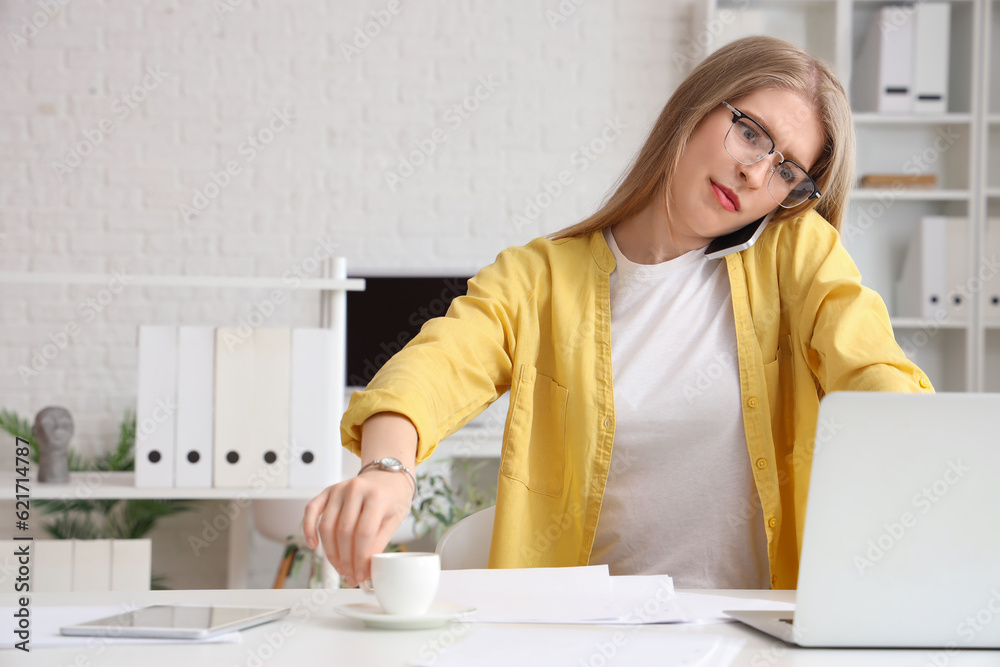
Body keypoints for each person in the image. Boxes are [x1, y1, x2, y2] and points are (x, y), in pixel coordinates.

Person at [303, 35, 934, 590]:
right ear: (696, 106)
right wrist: (387, 468)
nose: (752, 171)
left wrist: (930, 456)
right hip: (585, 630)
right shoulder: (541, 277)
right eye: (750, 132)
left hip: (755, 633)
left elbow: (869, 361)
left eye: (786, 169)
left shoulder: (796, 255)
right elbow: (439, 363)